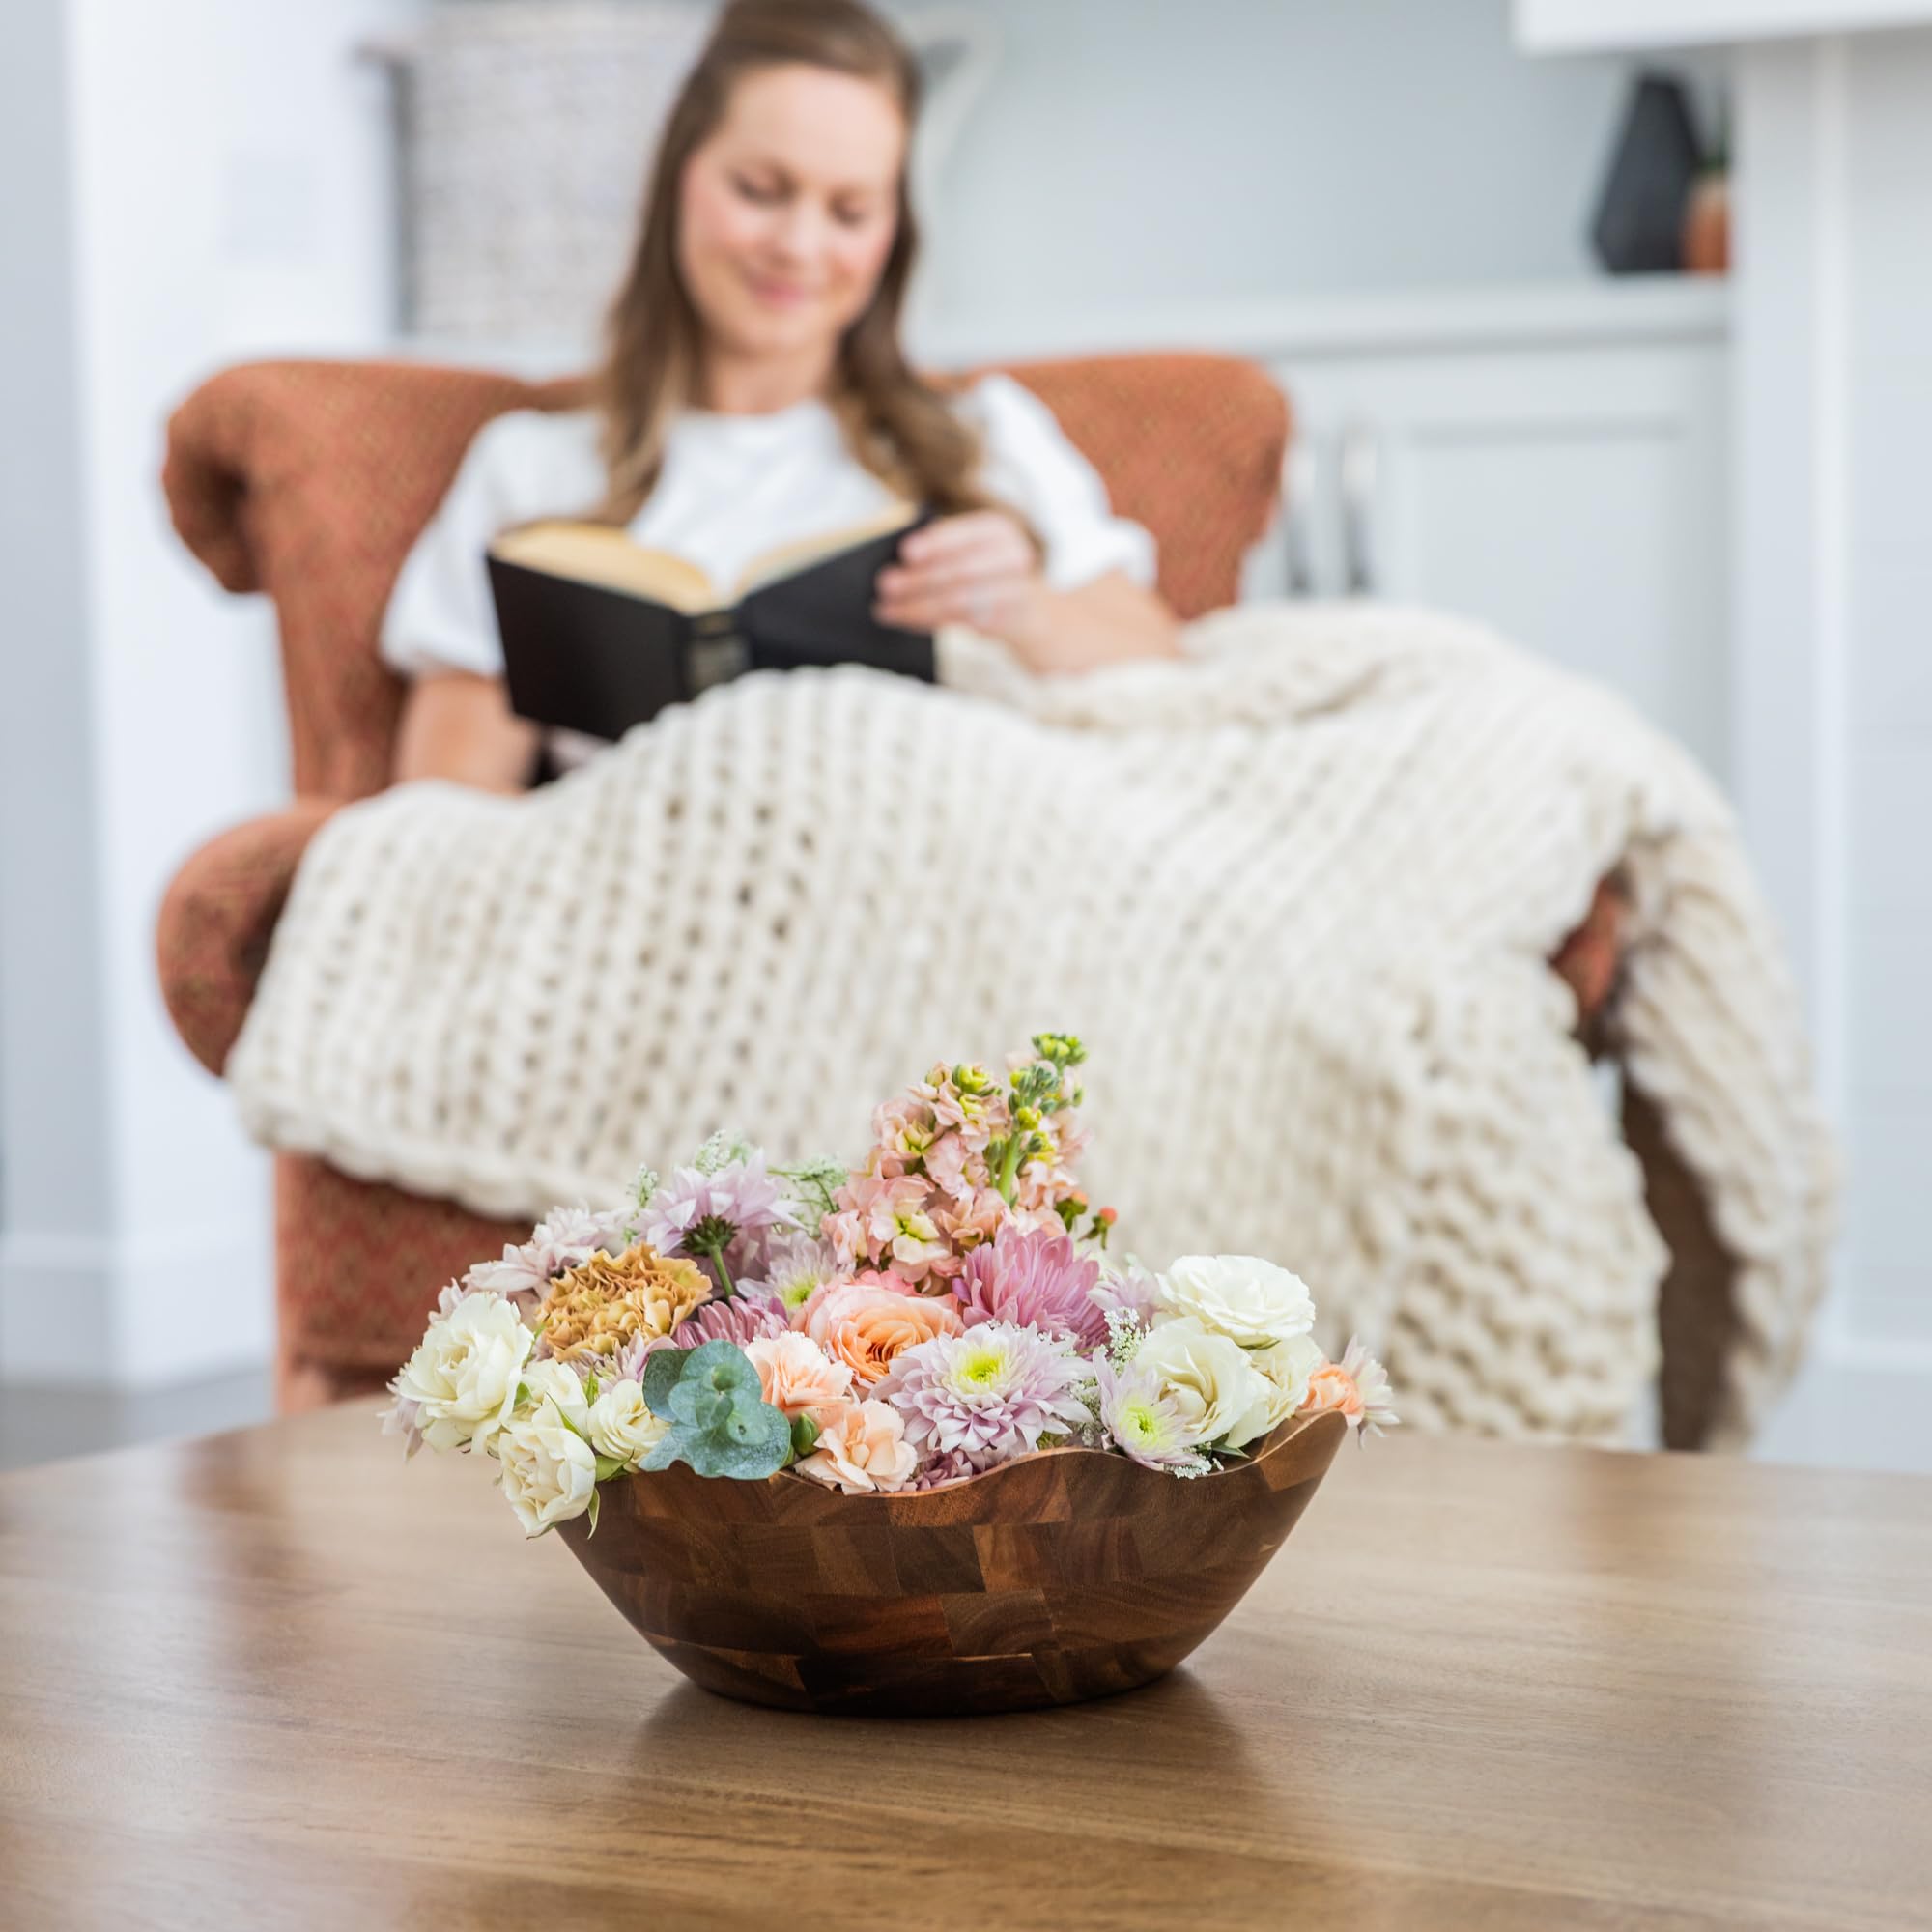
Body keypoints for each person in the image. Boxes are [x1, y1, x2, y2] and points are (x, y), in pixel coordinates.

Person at [382, 0, 1179, 793]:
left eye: (850, 212)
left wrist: (1026, 610)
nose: (799, 247)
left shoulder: (983, 433)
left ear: (894, 233)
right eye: (760, 190)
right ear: (681, 177)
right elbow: (449, 808)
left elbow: (1166, 668)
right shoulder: (531, 469)